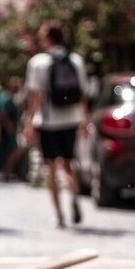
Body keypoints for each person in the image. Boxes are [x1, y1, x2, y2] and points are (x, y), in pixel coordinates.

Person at [23, 22, 88, 227]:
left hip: (49, 121)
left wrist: (30, 122)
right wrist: (84, 120)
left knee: (52, 168)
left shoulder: (38, 63)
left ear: (47, 39)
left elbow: (37, 95)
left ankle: (59, 214)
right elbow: (83, 94)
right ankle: (74, 195)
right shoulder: (76, 61)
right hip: (72, 118)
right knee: (69, 164)